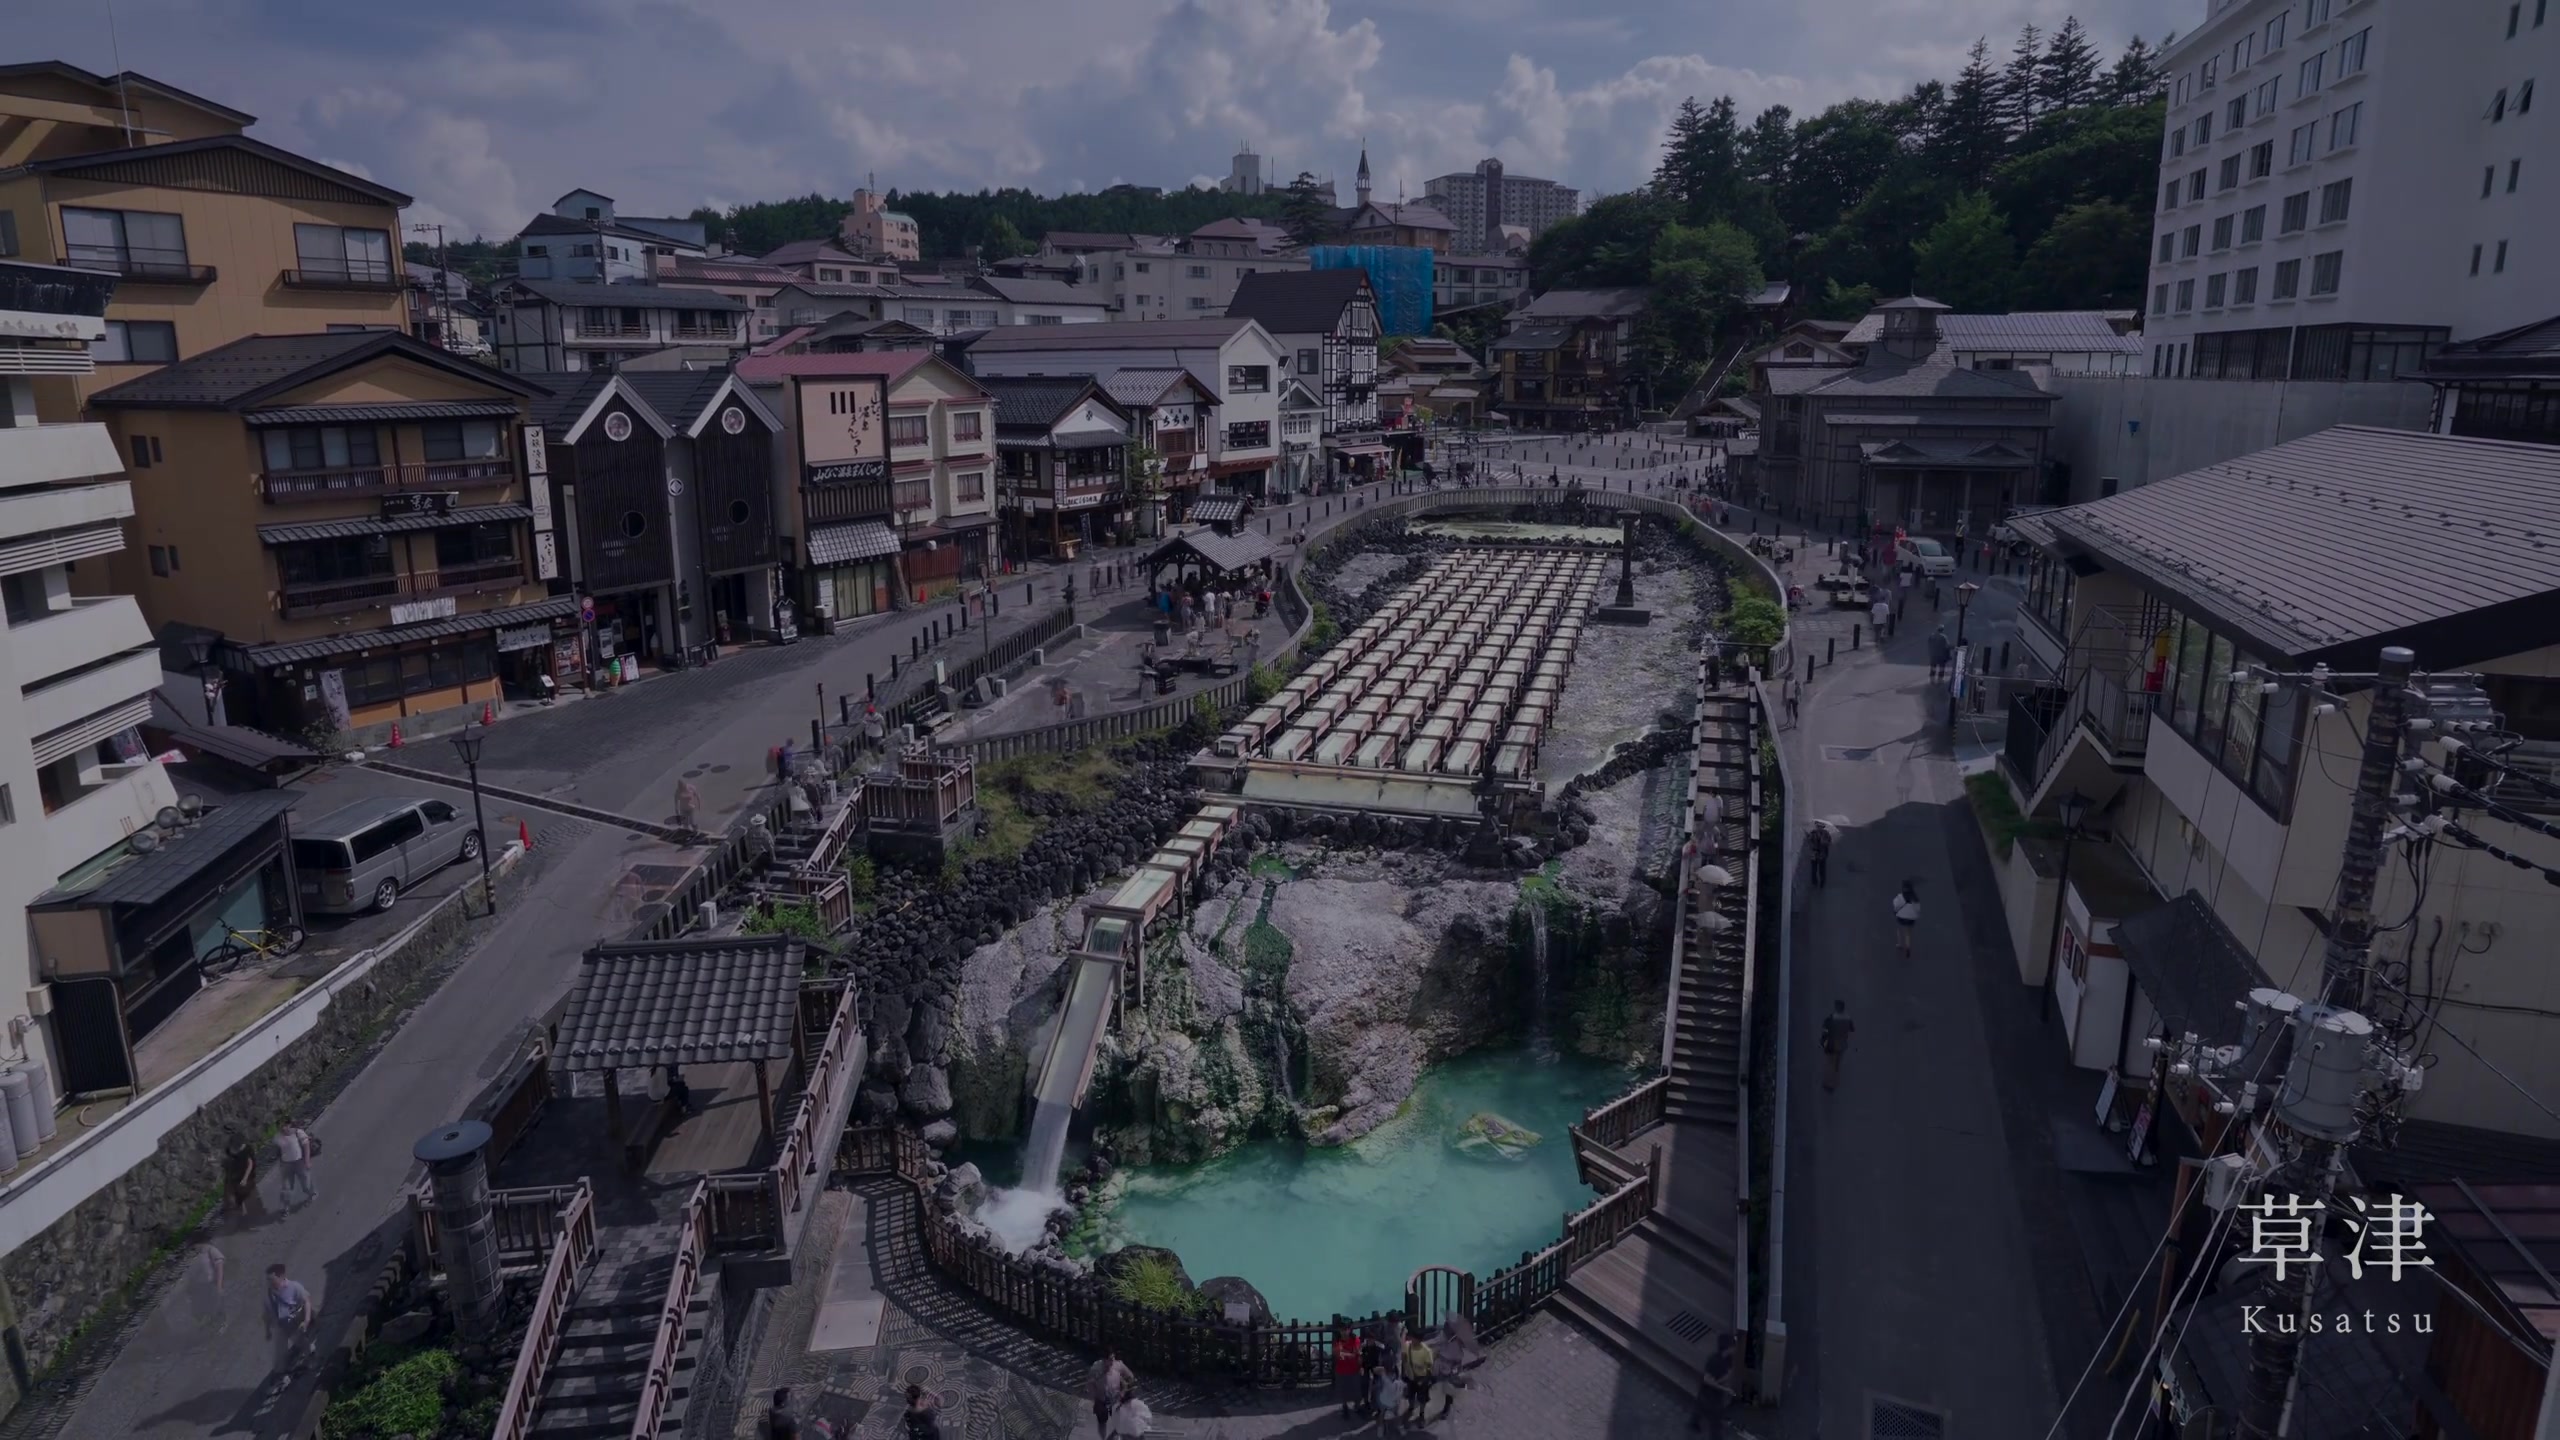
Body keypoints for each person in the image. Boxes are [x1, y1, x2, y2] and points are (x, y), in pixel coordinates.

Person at [263, 1262, 312, 1391]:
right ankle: (282, 1377)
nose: (269, 1283)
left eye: (272, 1279)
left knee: (301, 1341)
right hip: (281, 1325)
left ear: (281, 1276)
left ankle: (310, 1356)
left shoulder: (295, 1287)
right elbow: (267, 1314)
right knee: (280, 1352)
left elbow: (307, 1301)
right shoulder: (270, 1294)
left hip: (294, 1322)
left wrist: (306, 1320)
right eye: (268, 1280)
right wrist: (267, 1330)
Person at [1689, 1331, 1739, 1436]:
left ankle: (1694, 1422)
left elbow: (1727, 1372)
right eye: (1733, 1346)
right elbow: (1708, 1380)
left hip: (1715, 1392)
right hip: (1708, 1393)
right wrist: (1725, 1388)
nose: (1735, 1349)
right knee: (1715, 1418)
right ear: (1728, 1348)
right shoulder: (1713, 1361)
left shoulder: (1728, 1358)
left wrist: (1726, 1379)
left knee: (1701, 1408)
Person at [1085, 1346, 1133, 1439]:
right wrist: (1094, 1396)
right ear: (1104, 1360)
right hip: (1101, 1399)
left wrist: (1123, 1389)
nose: (1112, 1362)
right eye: (1110, 1359)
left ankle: (1113, 1437)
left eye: (1113, 1358)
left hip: (1115, 1399)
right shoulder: (1096, 1367)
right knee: (1102, 1422)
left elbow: (1130, 1377)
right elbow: (1090, 1383)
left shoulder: (1118, 1365)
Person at [191, 1227, 228, 1332]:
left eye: (195, 1245)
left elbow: (219, 1267)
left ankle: (222, 1324)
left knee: (217, 1304)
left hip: (213, 1283)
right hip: (203, 1285)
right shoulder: (200, 1254)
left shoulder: (211, 1250)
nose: (194, 1248)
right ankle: (210, 1323)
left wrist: (219, 1285)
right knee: (207, 1305)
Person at [276, 1118, 315, 1212]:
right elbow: (280, 1151)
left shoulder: (298, 1133)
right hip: (287, 1164)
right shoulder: (278, 1137)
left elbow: (306, 1145)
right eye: (280, 1126)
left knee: (305, 1183)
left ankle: (311, 1194)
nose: (283, 1128)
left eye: (284, 1125)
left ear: (289, 1125)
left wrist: (307, 1160)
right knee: (287, 1187)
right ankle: (285, 1207)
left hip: (299, 1162)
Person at [1400, 1326, 1436, 1423]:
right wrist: (1404, 1372)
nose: (1413, 1340)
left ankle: (1421, 1414)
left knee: (1422, 1398)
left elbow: (1430, 1368)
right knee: (1410, 1395)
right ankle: (1411, 1408)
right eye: (1412, 1338)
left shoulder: (1426, 1351)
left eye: (1415, 1339)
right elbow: (1403, 1358)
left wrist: (1425, 1380)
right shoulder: (1407, 1345)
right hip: (1410, 1376)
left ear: (1420, 1340)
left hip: (1422, 1378)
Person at [223, 1132, 260, 1222]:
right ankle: (243, 1213)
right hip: (235, 1175)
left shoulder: (246, 1150)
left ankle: (250, 1213)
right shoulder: (230, 1150)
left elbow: (250, 1164)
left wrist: (245, 1178)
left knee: (245, 1194)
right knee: (237, 1195)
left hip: (244, 1174)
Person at [1820, 1000, 1855, 1093]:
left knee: (1830, 1064)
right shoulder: (1847, 1018)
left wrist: (1823, 1041)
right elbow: (1852, 1029)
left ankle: (1828, 1083)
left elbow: (1826, 1029)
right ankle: (1833, 1084)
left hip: (1832, 1044)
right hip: (1841, 1045)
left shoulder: (1832, 1018)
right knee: (1836, 1065)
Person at [1333, 1328, 1365, 1416]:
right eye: (1342, 1329)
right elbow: (1338, 1355)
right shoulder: (1337, 1341)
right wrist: (1350, 1354)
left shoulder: (1355, 1340)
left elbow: (1357, 1353)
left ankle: (1357, 1406)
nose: (1343, 1331)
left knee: (1357, 1391)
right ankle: (1345, 1407)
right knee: (1343, 1391)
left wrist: (1345, 1353)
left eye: (1345, 1329)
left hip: (1354, 1369)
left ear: (1349, 1330)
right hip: (1341, 1370)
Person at [1892, 880, 1921, 956]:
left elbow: (1896, 905)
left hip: (1901, 917)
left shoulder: (1900, 896)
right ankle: (1908, 947)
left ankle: (1900, 943)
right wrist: (1916, 915)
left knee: (1899, 929)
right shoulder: (1915, 898)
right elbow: (1918, 909)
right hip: (1911, 918)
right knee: (1908, 933)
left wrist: (1895, 911)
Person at [1806, 822, 1832, 887]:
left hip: (1822, 853)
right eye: (1818, 826)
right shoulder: (1813, 833)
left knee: (1822, 869)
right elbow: (1809, 841)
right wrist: (1808, 837)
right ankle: (1814, 882)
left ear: (1823, 827)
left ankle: (1822, 882)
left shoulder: (1826, 833)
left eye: (1820, 826)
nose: (1819, 828)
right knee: (1814, 869)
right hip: (1814, 853)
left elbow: (1829, 842)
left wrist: (1823, 842)